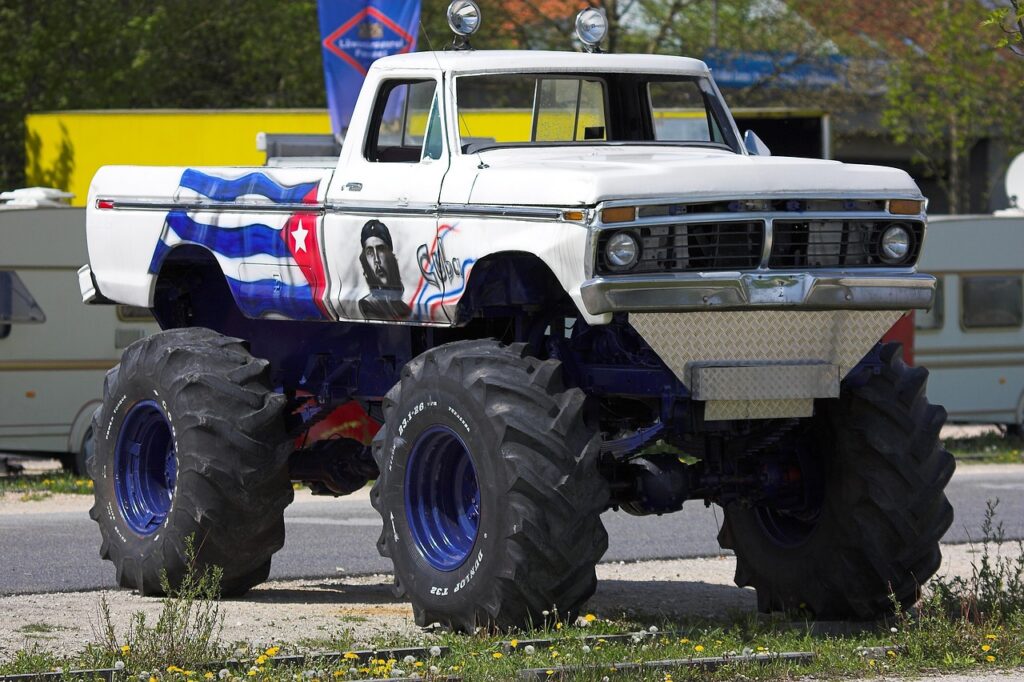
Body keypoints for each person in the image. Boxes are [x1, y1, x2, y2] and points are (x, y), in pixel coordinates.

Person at [358, 219, 411, 320]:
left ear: (390, 255)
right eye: (370, 253)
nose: (376, 260)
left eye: (381, 249)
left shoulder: (404, 308)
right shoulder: (368, 304)